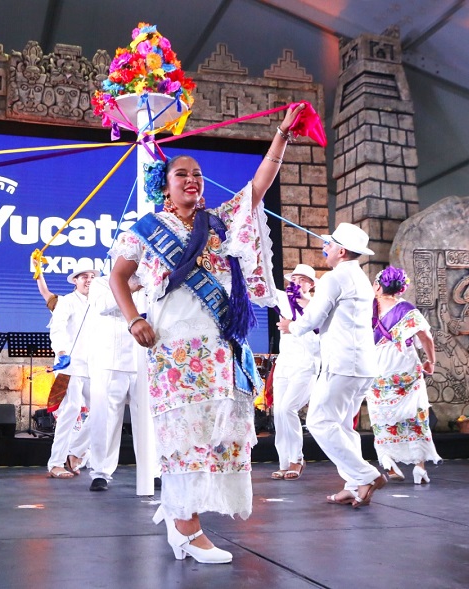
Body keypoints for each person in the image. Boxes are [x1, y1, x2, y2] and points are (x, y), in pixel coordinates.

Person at [108, 103, 306, 564]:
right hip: (174, 346)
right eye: (182, 174)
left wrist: (281, 135)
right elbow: (118, 276)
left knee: (219, 432)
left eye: (197, 174)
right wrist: (133, 319)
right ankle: (186, 529)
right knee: (186, 432)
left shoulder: (218, 223)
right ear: (166, 184)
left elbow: (259, 187)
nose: (192, 180)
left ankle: (185, 520)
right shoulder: (145, 229)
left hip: (219, 347)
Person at [278, 222, 385, 508]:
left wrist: (291, 326)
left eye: (329, 244)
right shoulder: (360, 278)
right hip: (362, 364)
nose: (324, 247)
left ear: (341, 250)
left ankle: (366, 474)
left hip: (342, 363)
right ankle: (353, 484)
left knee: (319, 421)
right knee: (342, 425)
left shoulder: (334, 278)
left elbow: (312, 320)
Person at [367, 266, 441, 484]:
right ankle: (419, 468)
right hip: (404, 368)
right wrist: (431, 361)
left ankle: (388, 463)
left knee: (380, 417)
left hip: (377, 369)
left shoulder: (367, 310)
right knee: (415, 416)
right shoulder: (407, 310)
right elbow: (426, 337)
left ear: (379, 287)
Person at [86, 274, 156, 492]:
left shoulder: (152, 280)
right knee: (105, 420)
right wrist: (129, 287)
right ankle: (100, 472)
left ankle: (153, 471)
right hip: (110, 360)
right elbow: (102, 306)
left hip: (144, 360)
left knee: (148, 421)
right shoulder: (101, 283)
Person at [271, 264, 320, 480]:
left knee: (288, 409)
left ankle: (297, 459)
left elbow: (321, 339)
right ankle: (284, 462)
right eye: (294, 278)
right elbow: (261, 290)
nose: (296, 282)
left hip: (306, 364)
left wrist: (293, 326)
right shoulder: (283, 300)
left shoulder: (319, 306)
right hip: (285, 364)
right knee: (278, 413)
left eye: (302, 279)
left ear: (311, 284)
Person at [47, 266, 95, 479]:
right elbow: (57, 328)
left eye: (92, 277)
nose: (89, 280)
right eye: (84, 276)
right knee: (71, 408)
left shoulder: (97, 303)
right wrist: (62, 352)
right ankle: (56, 462)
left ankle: (75, 452)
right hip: (69, 365)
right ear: (74, 280)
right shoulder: (66, 301)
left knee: (103, 411)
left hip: (92, 366)